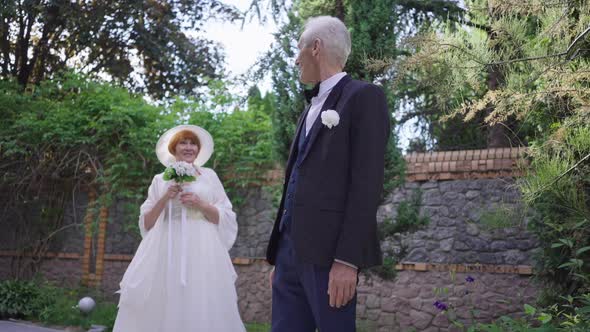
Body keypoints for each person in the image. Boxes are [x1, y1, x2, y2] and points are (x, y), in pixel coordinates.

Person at [266, 16, 390, 332]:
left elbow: (366, 184)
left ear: (316, 48)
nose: (295, 59)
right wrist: (282, 255)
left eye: (299, 49)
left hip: (330, 255)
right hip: (288, 252)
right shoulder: (309, 109)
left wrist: (347, 261)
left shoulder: (364, 97)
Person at [113, 124, 245, 332]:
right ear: (174, 148)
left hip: (203, 247)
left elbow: (225, 216)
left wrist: (200, 204)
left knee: (200, 295)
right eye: (183, 142)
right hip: (167, 246)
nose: (189, 147)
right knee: (165, 294)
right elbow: (147, 222)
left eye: (193, 143)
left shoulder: (209, 177)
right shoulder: (159, 180)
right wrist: (166, 197)